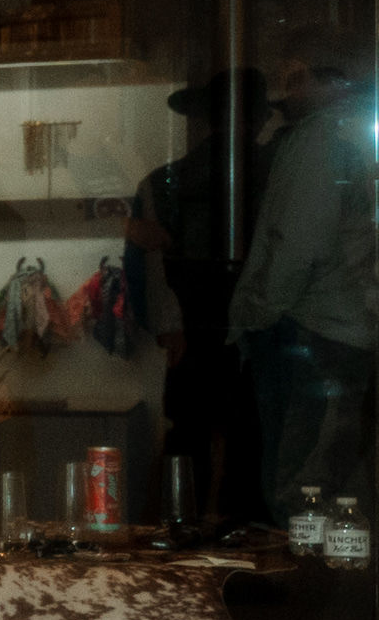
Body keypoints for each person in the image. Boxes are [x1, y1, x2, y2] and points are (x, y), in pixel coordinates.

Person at [228, 42, 375, 522]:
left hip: (314, 329)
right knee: (319, 479)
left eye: (295, 76)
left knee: (298, 486)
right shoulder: (345, 135)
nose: (286, 88)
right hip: (337, 325)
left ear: (328, 81)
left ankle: (300, 587)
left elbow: (298, 244)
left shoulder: (321, 140)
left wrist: (260, 313)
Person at [129, 67, 268, 525]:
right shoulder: (275, 175)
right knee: (248, 441)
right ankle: (238, 548)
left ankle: (180, 542)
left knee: (190, 441)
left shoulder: (165, 181)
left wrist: (168, 324)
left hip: (196, 327)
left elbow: (147, 264)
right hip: (254, 327)